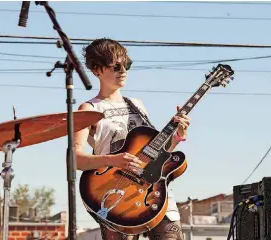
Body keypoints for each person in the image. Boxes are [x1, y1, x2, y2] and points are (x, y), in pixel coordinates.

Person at [74, 38, 191, 240]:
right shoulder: (90, 109)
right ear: (96, 70)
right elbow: (75, 158)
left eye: (126, 65)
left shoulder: (137, 104)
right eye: (115, 66)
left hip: (154, 191)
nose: (123, 70)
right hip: (114, 194)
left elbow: (156, 152)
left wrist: (179, 135)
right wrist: (114, 159)